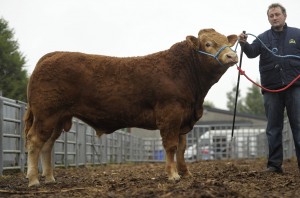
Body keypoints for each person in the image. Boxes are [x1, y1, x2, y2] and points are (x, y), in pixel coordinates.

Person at [238, 3, 300, 173]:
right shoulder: (262, 38)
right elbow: (251, 53)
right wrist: (243, 43)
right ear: (268, 18)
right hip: (271, 89)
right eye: (271, 15)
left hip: (295, 86)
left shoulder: (297, 34)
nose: (274, 18)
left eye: (277, 14)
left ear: (284, 15)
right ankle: (274, 165)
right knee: (273, 128)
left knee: (298, 125)